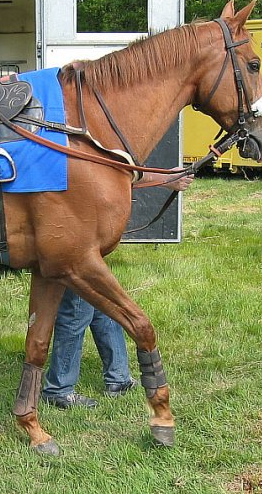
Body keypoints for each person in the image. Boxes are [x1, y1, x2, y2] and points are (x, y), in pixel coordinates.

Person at [42, 169, 195, 409]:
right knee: (77, 311)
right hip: (77, 240)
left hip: (85, 236)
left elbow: (120, 171)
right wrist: (166, 180)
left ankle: (118, 378)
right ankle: (58, 389)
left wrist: (166, 178)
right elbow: (117, 172)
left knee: (106, 307)